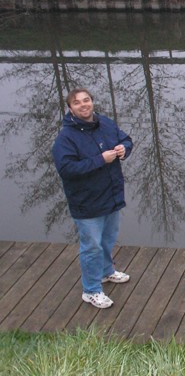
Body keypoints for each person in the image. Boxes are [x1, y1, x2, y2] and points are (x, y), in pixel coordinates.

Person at [52, 88, 133, 309]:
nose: (83, 105)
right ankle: (91, 290)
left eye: (86, 100)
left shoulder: (105, 123)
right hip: (86, 203)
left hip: (111, 196)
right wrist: (101, 159)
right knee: (91, 247)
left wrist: (124, 149)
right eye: (77, 103)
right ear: (70, 109)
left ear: (92, 102)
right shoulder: (66, 138)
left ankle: (107, 272)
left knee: (107, 240)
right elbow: (67, 169)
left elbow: (127, 139)